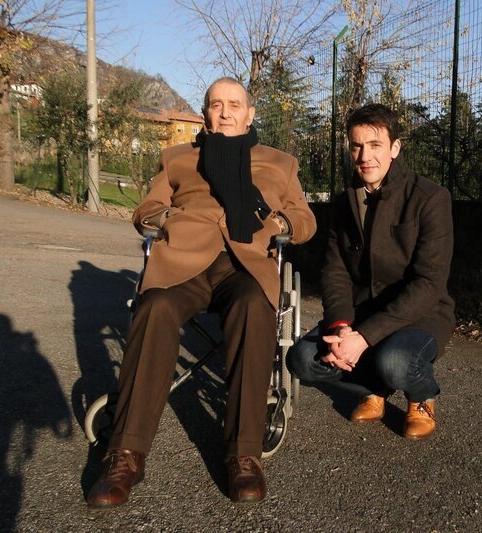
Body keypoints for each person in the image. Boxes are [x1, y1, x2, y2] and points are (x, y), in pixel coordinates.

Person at [86, 77, 316, 507]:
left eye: (234, 104)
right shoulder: (177, 158)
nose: (226, 112)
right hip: (185, 260)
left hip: (245, 262)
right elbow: (146, 211)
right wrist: (170, 219)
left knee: (253, 306)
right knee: (154, 307)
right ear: (206, 113)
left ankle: (244, 453)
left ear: (249, 114)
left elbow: (305, 220)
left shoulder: (279, 163)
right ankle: (126, 454)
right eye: (216, 104)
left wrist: (280, 225)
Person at [288, 103, 454, 440]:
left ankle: (421, 397)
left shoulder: (429, 198)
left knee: (395, 362)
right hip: (361, 313)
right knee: (303, 359)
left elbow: (429, 282)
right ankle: (374, 388)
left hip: (417, 316)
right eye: (356, 145)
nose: (365, 156)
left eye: (375, 145)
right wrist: (341, 328)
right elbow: (335, 272)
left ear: (394, 147)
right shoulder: (343, 203)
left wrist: (363, 339)